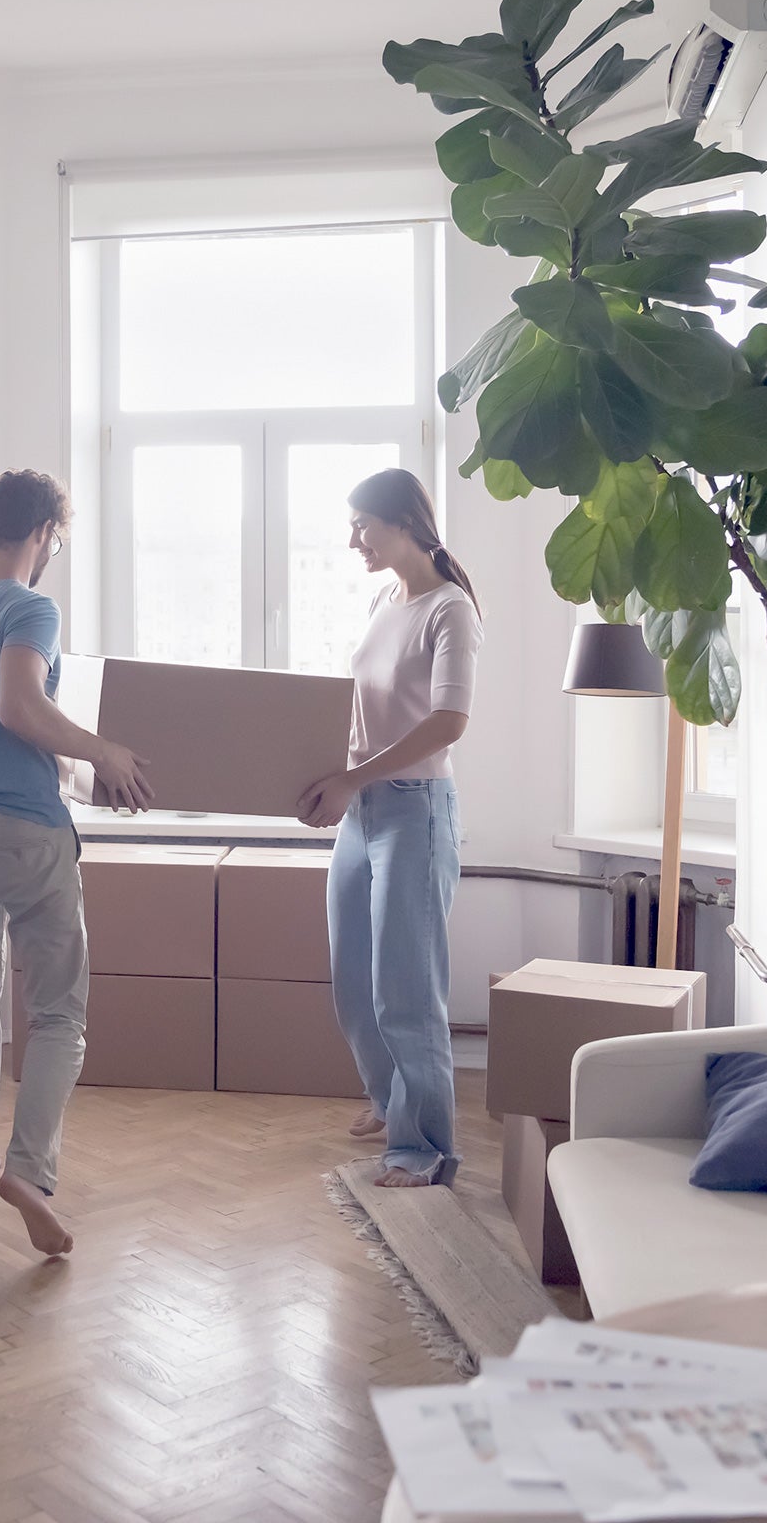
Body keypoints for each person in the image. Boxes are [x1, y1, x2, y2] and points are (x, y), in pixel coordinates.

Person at [0, 469, 154, 1256]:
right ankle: (27, 1171)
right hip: (21, 831)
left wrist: (72, 765)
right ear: (46, 532)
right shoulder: (30, 607)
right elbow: (17, 709)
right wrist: (102, 752)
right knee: (57, 1014)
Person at [296, 468, 482, 1189]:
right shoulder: (383, 600)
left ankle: (423, 1146)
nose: (352, 542)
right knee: (352, 981)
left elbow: (448, 722)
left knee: (405, 991)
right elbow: (364, 704)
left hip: (415, 810)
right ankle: (386, 1099)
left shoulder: (450, 610)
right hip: (362, 809)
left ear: (402, 522)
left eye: (361, 526)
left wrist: (353, 777)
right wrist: (331, 774)